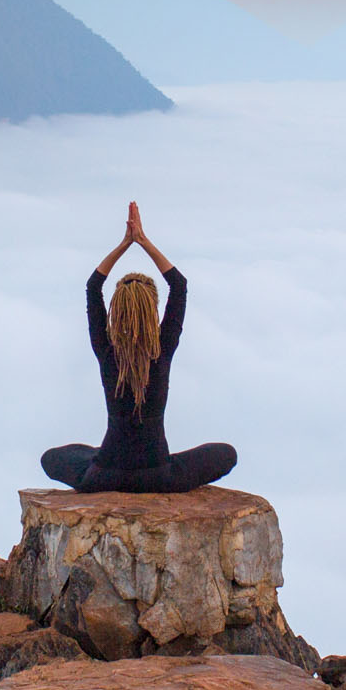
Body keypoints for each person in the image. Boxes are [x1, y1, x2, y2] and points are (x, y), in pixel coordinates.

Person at [40, 202, 238, 495]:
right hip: (159, 474)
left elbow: (93, 286)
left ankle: (98, 453)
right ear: (153, 308)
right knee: (226, 452)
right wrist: (142, 240)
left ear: (115, 311)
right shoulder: (162, 348)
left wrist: (124, 244)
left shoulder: (106, 350)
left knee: (53, 457)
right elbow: (179, 285)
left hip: (105, 474)